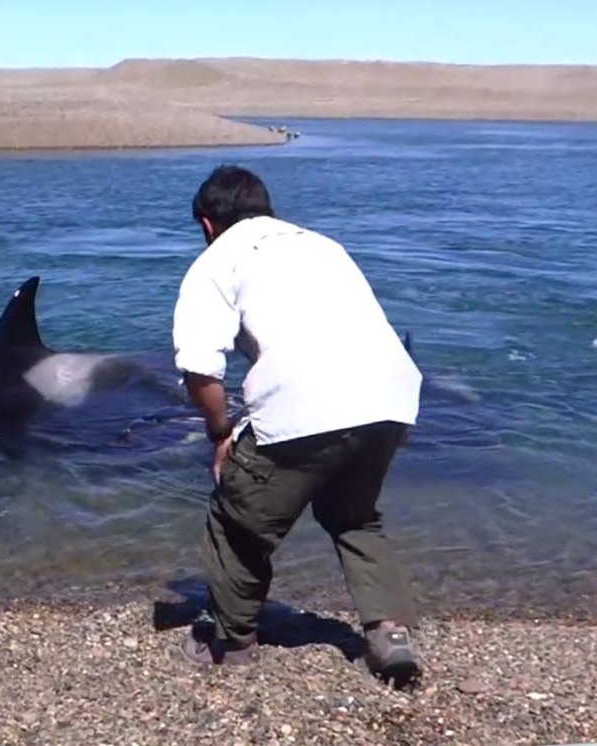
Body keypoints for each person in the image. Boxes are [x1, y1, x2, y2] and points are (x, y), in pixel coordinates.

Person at [170, 164, 425, 689]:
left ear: (206, 223)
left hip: (305, 402)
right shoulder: (324, 246)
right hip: (393, 399)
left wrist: (221, 436)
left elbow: (200, 369)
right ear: (267, 210)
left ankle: (231, 640)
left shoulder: (216, 259)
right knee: (355, 517)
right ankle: (391, 633)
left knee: (238, 518)